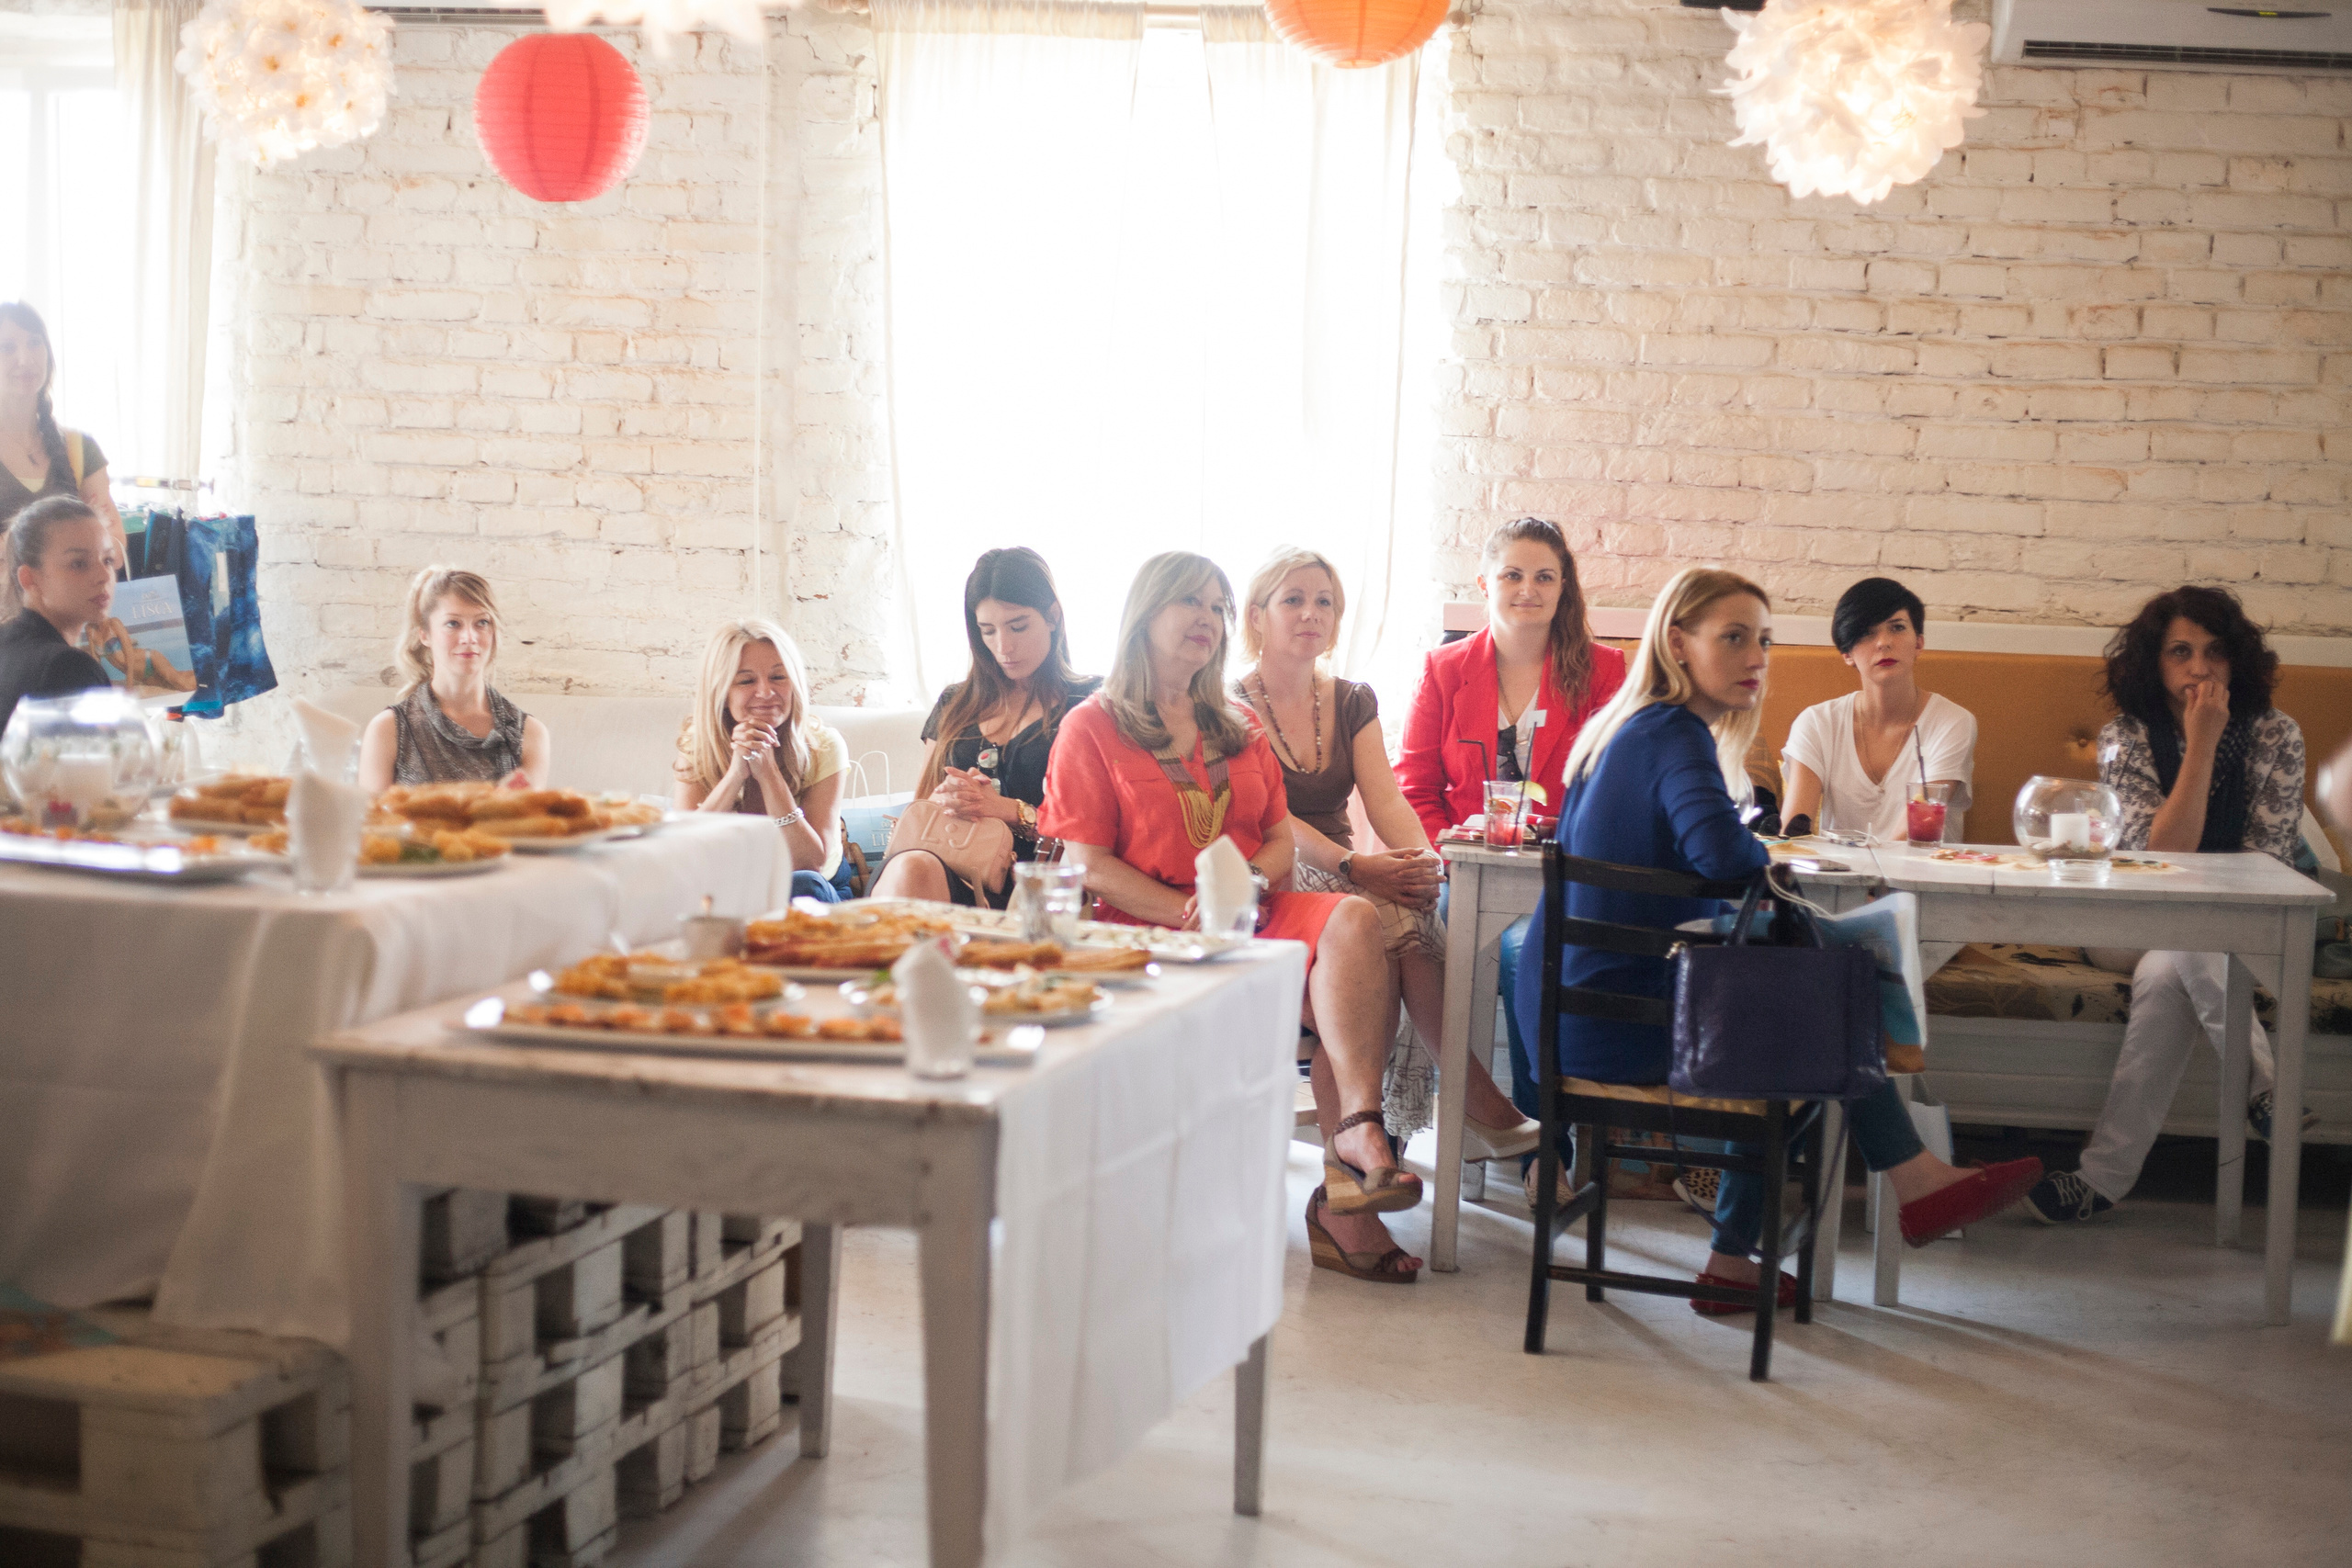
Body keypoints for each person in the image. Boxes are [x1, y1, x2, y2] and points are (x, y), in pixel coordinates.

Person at [1513, 566, 2041, 1312]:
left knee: (1810, 990)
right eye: (1732, 637)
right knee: (1816, 1018)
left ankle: (1754, 1254)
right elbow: (1723, 860)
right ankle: (1897, 1185)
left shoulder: (1630, 729)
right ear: (1677, 642)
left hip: (1571, 1017)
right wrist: (1758, 846)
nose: (1755, 656)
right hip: (1608, 1026)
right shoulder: (1675, 735)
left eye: (1763, 639)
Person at [1042, 551, 1427, 1283]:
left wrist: (1248, 885)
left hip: (1250, 913)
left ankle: (1357, 1130)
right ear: (1144, 615)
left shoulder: (1238, 723)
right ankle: (1344, 1209)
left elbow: (1280, 837)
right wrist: (1190, 913)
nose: (1208, 619)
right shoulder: (1091, 725)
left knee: (1350, 920)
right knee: (1333, 956)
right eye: (1190, 602)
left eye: (1218, 606)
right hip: (1142, 926)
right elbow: (1085, 859)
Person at [1235, 545, 1537, 1157]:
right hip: (1270, 869)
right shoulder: (1229, 705)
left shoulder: (1350, 699)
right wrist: (1356, 865)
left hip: (1342, 872)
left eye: (1324, 601)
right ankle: (1463, 1096)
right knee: (1385, 914)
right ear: (1258, 614)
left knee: (1412, 903)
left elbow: (1386, 799)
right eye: (1292, 599)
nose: (1310, 612)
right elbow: (1276, 820)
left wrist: (1424, 862)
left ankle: (1369, 1137)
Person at [2025, 586, 2311, 1225]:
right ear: (2154, 663)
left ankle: (2100, 1177)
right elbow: (2160, 860)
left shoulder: (2277, 736)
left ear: (2237, 662)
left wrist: (2211, 739)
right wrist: (2202, 743)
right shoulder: (2124, 737)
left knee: (2171, 965)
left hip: (2231, 930)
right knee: (2181, 936)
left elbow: (2265, 868)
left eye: (2214, 652)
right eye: (2180, 652)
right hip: (2130, 919)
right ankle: (2267, 1088)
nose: (2199, 668)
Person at [1394, 518, 1629, 1195]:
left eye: (1544, 576)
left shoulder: (1605, 669)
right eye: (1513, 575)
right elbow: (1414, 786)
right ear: (1485, 584)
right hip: (1459, 872)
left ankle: (1541, 1146)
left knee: (1531, 955)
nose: (1528, 590)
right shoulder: (1444, 669)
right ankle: (1425, 1127)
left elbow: (1608, 787)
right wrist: (1451, 850)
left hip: (1562, 874)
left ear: (1564, 587)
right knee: (1439, 941)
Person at [873, 547, 1100, 908]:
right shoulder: (955, 703)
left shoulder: (1090, 704)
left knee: (914, 873)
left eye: (1018, 626)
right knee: (913, 866)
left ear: (1053, 616)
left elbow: (1099, 833)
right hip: (942, 867)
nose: (1003, 646)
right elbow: (919, 810)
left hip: (1037, 883)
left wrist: (1007, 809)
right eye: (987, 631)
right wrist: (951, 798)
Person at [1780, 576, 1976, 844]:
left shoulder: (1952, 722)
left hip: (1923, 879)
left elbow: (1915, 833)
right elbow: (1794, 831)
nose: (1883, 642)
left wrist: (1868, 885)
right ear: (1847, 654)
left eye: (1896, 628)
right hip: (1842, 880)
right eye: (1867, 633)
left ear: (1919, 643)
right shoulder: (1816, 723)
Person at [674, 618, 851, 905]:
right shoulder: (698, 745)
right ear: (721, 693)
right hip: (729, 889)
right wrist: (735, 776)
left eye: (779, 677)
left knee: (803, 884)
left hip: (809, 893)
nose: (767, 692)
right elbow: (684, 853)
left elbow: (809, 863)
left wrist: (768, 774)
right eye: (746, 681)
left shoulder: (824, 746)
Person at [358, 568, 551, 792]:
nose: (469, 637)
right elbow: (371, 823)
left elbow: (531, 823)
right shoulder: (388, 729)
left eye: (482, 623)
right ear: (425, 635)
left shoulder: (529, 733)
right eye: (453, 623)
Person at [0, 304, 127, 620]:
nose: (25, 359)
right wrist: (77, 548)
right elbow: (99, 542)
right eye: (7, 347)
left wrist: (16, 548)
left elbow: (116, 548)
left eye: (35, 342)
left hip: (74, 636)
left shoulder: (78, 448)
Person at [0, 495, 117, 735]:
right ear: (30, 579)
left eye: (107, 560)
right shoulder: (69, 669)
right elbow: (101, 771)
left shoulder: (7, 643)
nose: (104, 575)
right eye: (78, 564)